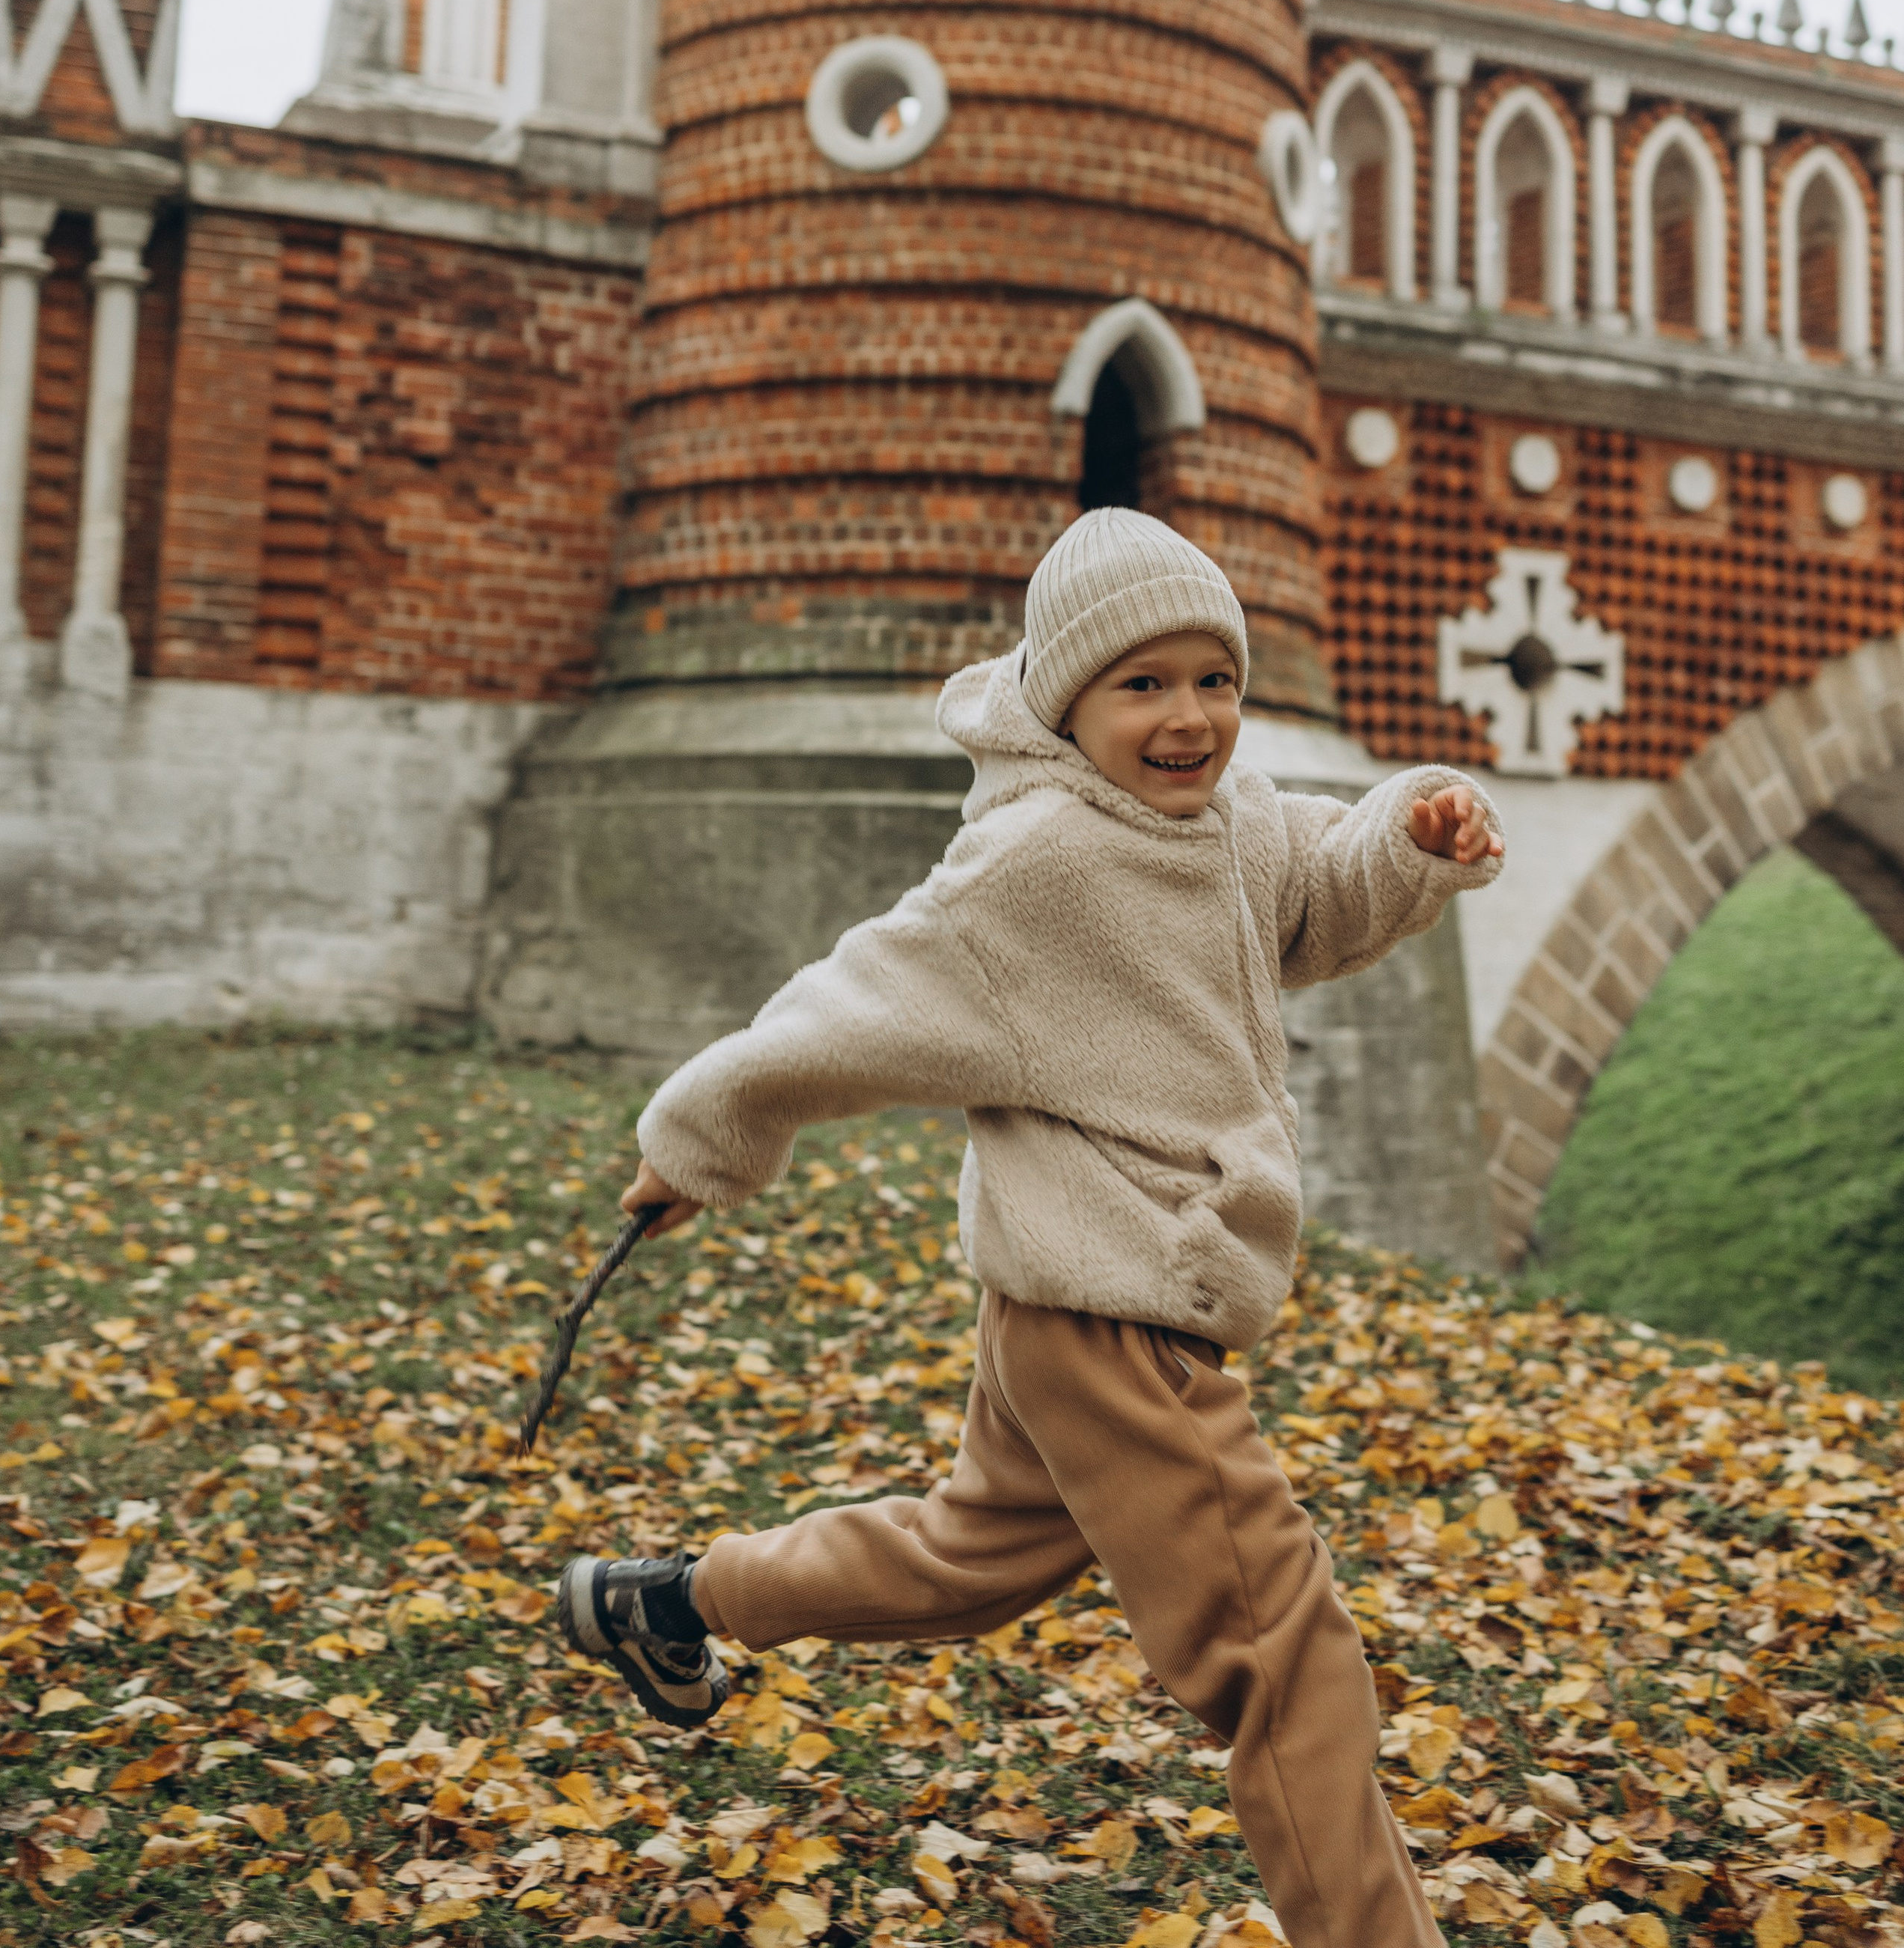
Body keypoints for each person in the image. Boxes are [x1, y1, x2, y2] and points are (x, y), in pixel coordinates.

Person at [558, 507, 1503, 1947]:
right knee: (1284, 1650)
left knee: (962, 1555)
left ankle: (674, 1602)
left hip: (1078, 1306)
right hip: (1114, 1310)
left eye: (1216, 679)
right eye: (1144, 685)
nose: (1190, 719)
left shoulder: (1225, 819)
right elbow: (855, 1002)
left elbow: (1316, 886)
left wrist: (1413, 829)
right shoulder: (1037, 867)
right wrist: (702, 1139)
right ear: (1067, 699)